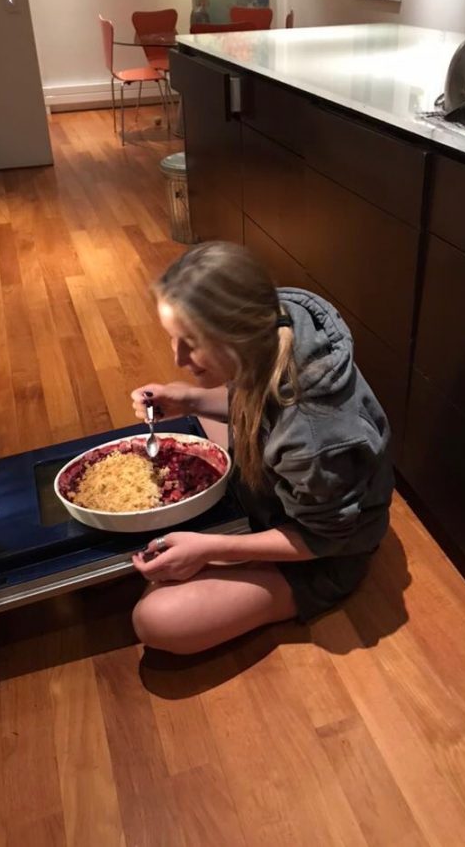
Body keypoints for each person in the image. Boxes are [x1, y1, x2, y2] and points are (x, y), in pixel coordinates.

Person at [130, 242, 394, 654]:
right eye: (172, 339)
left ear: (239, 335)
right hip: (279, 491)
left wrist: (211, 550)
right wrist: (189, 399)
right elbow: (257, 404)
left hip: (324, 553)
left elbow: (324, 538)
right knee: (188, 430)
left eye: (191, 343)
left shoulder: (315, 435)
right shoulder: (274, 322)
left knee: (155, 618)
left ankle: (252, 566)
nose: (178, 358)